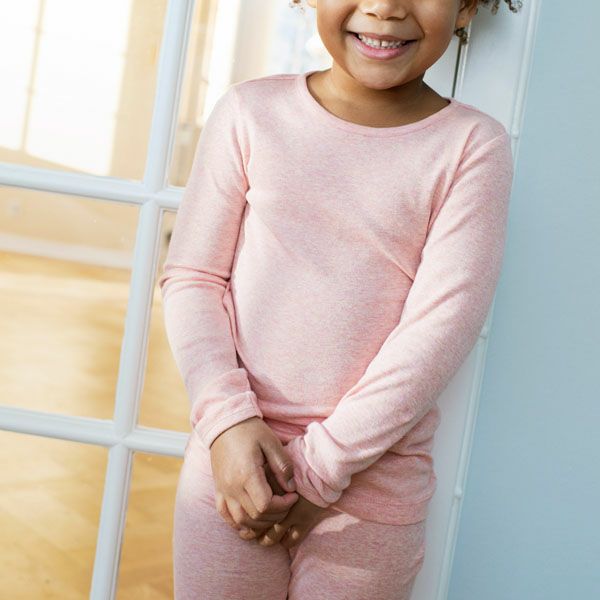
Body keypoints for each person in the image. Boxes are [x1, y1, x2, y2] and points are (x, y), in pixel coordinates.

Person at [158, 0, 517, 598]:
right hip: (236, 469)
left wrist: (320, 470)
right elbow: (193, 277)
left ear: (468, 7)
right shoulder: (250, 112)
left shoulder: (472, 146)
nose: (384, 8)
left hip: (373, 493)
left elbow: (440, 329)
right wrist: (227, 423)